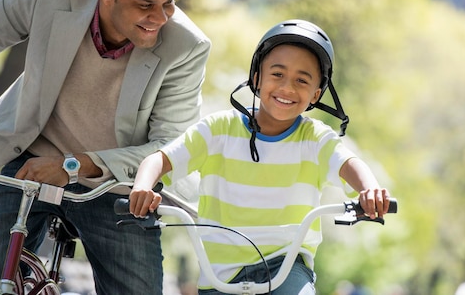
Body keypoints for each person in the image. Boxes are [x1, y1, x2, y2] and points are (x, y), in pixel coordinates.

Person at [0, 0, 211, 295]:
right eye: (145, 4)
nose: (160, 17)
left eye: (169, 3)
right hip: (29, 164)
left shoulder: (187, 46)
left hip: (118, 183)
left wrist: (73, 165)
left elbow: (170, 146)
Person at [129, 19, 391, 294]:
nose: (288, 88)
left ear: (316, 94)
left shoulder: (313, 138)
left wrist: (370, 189)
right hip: (221, 275)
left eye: (302, 80)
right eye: (277, 74)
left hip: (286, 267)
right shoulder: (218, 130)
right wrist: (143, 186)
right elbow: (159, 159)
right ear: (257, 78)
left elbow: (349, 163)